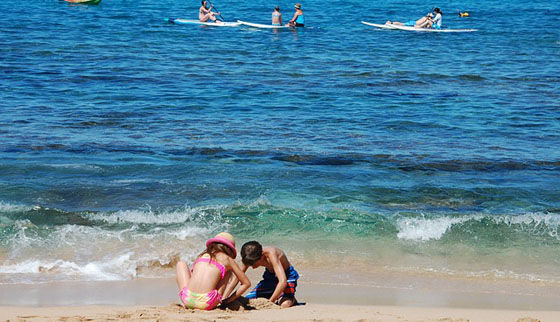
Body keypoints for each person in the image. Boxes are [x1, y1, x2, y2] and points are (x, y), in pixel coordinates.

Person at [175, 232, 251, 310]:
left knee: (181, 264)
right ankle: (223, 298)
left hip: (187, 300)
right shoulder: (228, 260)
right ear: (230, 250)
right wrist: (229, 300)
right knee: (228, 272)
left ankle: (185, 297)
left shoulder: (201, 256)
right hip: (207, 303)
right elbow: (246, 283)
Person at [225, 241, 299, 308]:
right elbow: (237, 277)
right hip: (270, 278)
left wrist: (269, 302)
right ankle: (275, 294)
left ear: (261, 256)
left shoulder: (271, 254)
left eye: (253, 264)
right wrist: (226, 297)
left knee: (284, 304)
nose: (253, 267)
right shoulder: (249, 256)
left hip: (287, 276)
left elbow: (283, 282)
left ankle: (290, 298)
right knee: (249, 300)